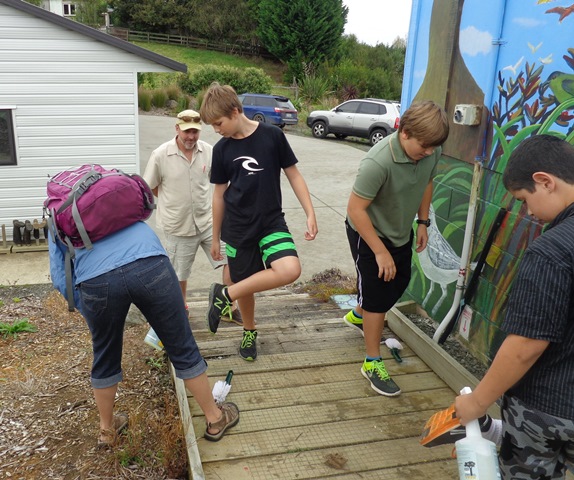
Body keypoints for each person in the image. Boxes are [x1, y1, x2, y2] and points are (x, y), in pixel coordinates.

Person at [48, 221, 239, 447]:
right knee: (181, 343)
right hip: (148, 259)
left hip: (95, 276)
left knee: (105, 353)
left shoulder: (57, 205)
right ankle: (215, 418)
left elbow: (59, 274)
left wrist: (91, 311)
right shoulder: (112, 194)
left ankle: (107, 431)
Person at [455, 134, 574, 479]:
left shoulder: (551, 251)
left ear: (545, 181)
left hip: (545, 410)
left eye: (524, 199)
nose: (529, 212)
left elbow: (526, 345)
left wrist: (476, 403)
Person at [199, 82, 318, 361]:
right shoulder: (222, 149)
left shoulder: (272, 136)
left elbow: (293, 174)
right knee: (245, 282)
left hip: (270, 222)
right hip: (238, 228)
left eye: (218, 123)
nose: (216, 130)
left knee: (290, 269)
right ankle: (249, 330)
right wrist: (215, 237)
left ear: (235, 111)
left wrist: (310, 212)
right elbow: (219, 195)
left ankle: (225, 295)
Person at [343, 101, 449, 396]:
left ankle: (358, 315)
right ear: (404, 132)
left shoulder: (431, 150)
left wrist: (423, 222)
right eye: (424, 146)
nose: (429, 152)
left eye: (433, 147)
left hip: (400, 231)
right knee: (377, 295)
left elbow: (427, 182)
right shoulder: (378, 162)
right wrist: (379, 251)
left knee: (399, 281)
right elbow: (355, 209)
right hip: (368, 233)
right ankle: (372, 361)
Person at [143, 109, 241, 324]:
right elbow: (150, 186)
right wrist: (170, 200)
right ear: (177, 129)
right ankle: (182, 309)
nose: (191, 136)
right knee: (179, 273)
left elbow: (220, 182)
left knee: (231, 260)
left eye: (195, 132)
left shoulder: (209, 151)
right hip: (178, 225)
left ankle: (228, 306)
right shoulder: (160, 155)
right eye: (187, 131)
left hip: (208, 222)